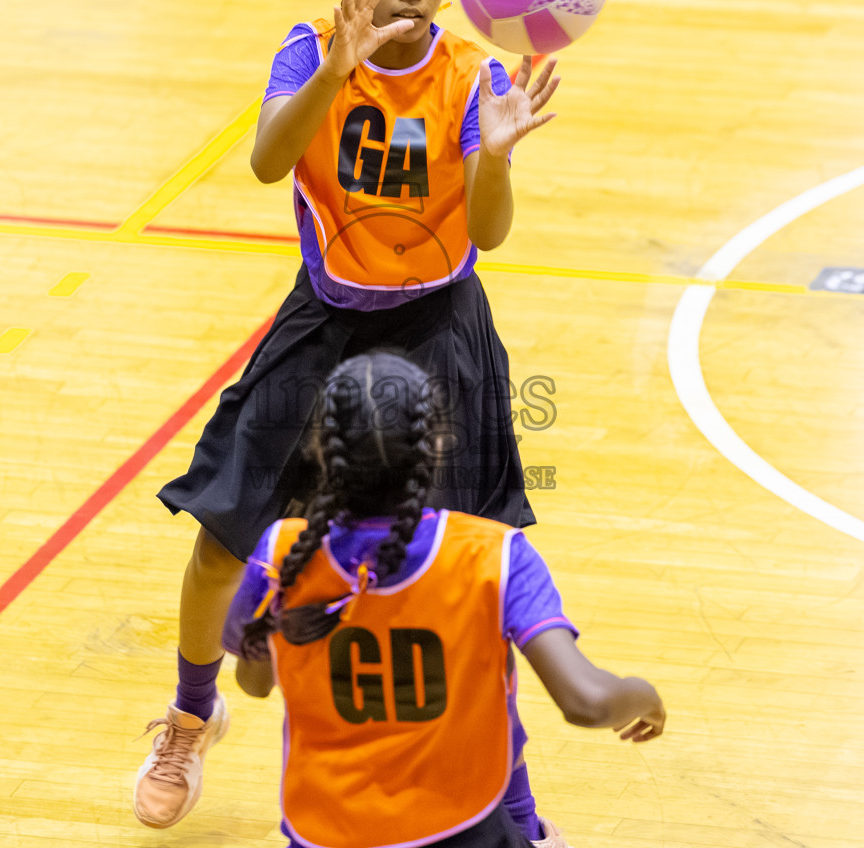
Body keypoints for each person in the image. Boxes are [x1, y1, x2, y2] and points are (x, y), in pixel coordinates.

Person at [135, 0, 563, 836]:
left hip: (441, 333)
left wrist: (494, 157)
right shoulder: (309, 49)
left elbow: (488, 233)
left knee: (465, 575)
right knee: (219, 538)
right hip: (323, 325)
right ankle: (190, 715)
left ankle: (507, 794)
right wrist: (337, 72)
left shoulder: (470, 75)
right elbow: (264, 162)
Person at [228, 353, 666, 848]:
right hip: (458, 827)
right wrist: (642, 694)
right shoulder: (493, 555)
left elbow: (254, 681)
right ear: (437, 445)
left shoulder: (281, 553)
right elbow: (588, 703)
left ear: (321, 452)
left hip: (326, 829)